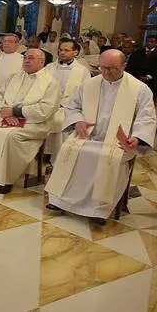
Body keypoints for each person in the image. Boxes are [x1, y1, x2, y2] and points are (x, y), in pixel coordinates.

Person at [45, 49, 157, 225]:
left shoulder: (140, 89)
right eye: (103, 68)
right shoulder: (89, 84)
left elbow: (147, 117)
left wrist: (137, 137)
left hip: (119, 142)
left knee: (106, 157)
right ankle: (60, 201)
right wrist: (78, 121)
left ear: (124, 66)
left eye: (112, 68)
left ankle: (99, 209)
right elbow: (72, 106)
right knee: (69, 149)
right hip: (88, 136)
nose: (106, 72)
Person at [0, 49, 61, 194]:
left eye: (31, 58)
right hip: (6, 116)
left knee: (9, 136)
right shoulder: (14, 77)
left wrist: (17, 112)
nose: (27, 61)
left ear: (42, 62)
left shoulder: (51, 83)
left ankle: (5, 179)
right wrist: (4, 111)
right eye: (25, 58)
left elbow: (46, 109)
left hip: (34, 123)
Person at [43, 38, 91, 162]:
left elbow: (85, 94)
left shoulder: (83, 71)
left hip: (69, 108)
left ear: (75, 52)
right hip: (47, 105)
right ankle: (41, 154)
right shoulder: (49, 67)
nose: (62, 53)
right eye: (60, 50)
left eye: (66, 50)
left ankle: (58, 159)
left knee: (61, 122)